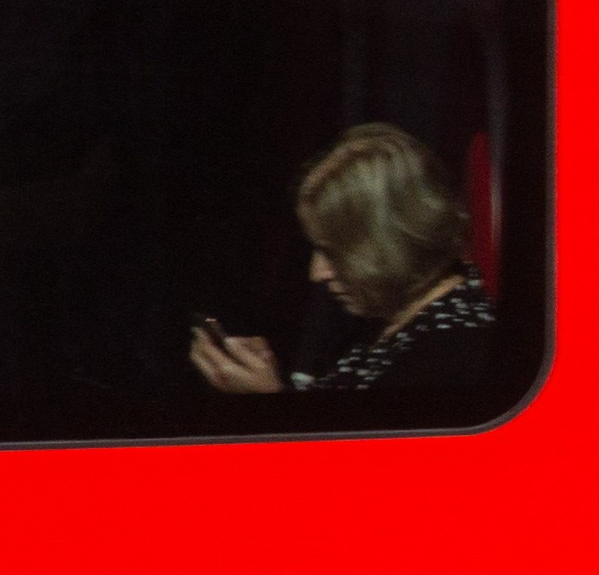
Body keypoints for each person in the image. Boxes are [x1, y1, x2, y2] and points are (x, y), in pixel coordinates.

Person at [189, 123, 494, 393]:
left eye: (333, 253)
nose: (317, 273)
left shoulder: (456, 350)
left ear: (389, 242)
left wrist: (269, 401)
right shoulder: (391, 322)